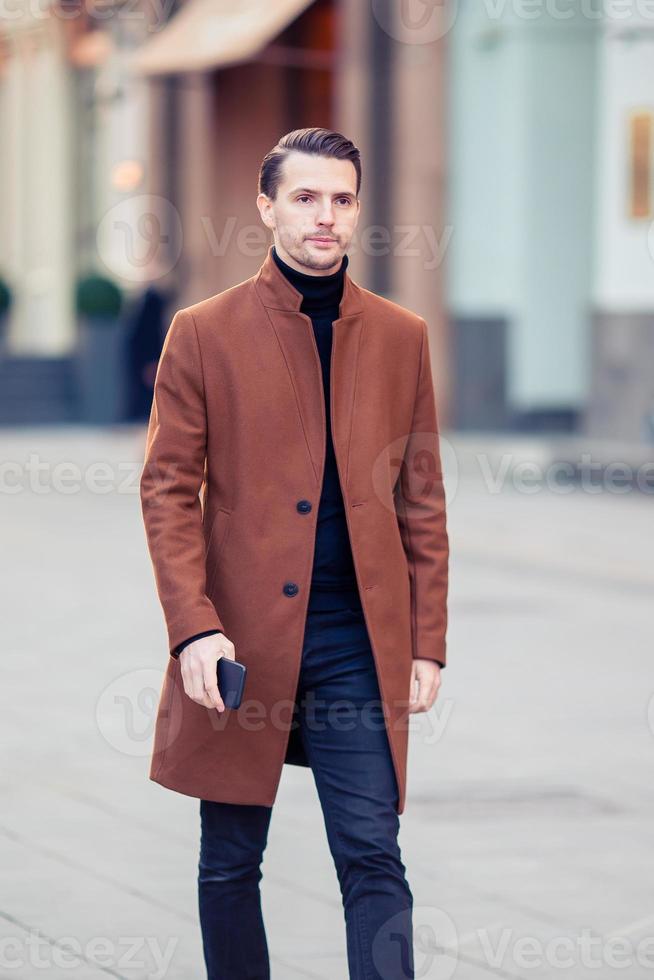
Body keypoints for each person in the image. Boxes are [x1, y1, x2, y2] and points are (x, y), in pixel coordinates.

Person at [139, 127, 449, 979]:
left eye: (342, 199)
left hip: (357, 640)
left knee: (373, 857)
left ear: (358, 211)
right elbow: (167, 488)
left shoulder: (400, 335)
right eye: (306, 197)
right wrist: (193, 629)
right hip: (242, 641)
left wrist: (428, 640)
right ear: (267, 207)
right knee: (232, 863)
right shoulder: (203, 333)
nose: (326, 216)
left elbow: (420, 495)